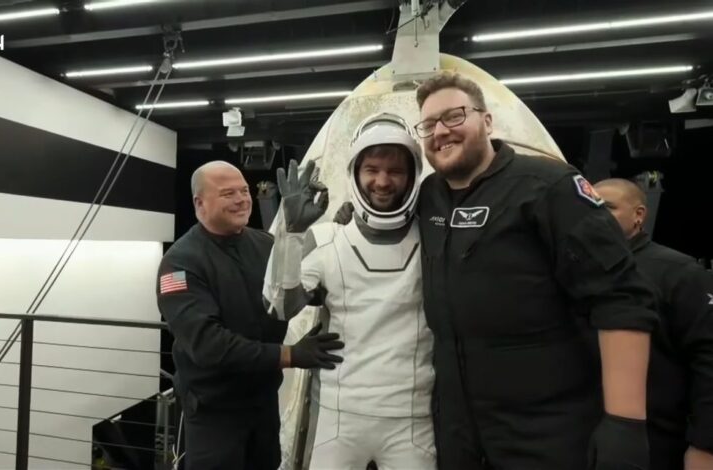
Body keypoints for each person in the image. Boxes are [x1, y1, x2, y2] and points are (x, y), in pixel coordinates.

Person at [412, 73, 658, 470]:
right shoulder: (429, 198)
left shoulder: (549, 187)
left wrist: (625, 423)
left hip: (545, 431)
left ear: (487, 121)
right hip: (461, 433)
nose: (440, 131)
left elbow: (622, 298)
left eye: (454, 116)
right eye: (428, 124)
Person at [264, 113, 436, 469]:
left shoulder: (435, 238)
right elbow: (278, 307)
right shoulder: (327, 238)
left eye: (395, 171)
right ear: (355, 172)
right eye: (372, 169)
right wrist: (290, 233)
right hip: (339, 415)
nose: (382, 181)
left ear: (413, 176)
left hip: (413, 416)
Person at [156, 161, 344, 470]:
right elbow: (208, 345)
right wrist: (290, 355)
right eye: (228, 193)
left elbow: (295, 290)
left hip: (263, 405)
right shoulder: (179, 264)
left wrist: (341, 233)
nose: (242, 200)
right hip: (215, 413)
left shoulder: (265, 244)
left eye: (244, 191)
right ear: (199, 203)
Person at [594, 178, 713, 470]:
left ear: (639, 215)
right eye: (589, 207)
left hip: (658, 440)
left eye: (607, 207)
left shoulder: (679, 272)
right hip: (585, 437)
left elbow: (709, 359)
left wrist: (705, 445)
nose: (595, 216)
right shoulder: (574, 269)